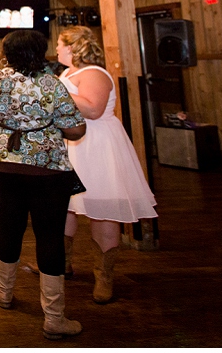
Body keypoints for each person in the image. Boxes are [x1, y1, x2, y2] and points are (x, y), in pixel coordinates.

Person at [0, 30, 86, 340]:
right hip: (46, 170)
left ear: (7, 52)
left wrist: (8, 118)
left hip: (0, 164)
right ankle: (54, 318)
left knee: (8, 226)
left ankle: (4, 293)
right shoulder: (51, 84)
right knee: (49, 236)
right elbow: (75, 129)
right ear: (40, 52)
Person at [57, 26, 157, 303]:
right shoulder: (67, 73)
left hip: (97, 144)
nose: (56, 49)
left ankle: (104, 276)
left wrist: (54, 90)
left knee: (101, 210)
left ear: (74, 47)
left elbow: (93, 108)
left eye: (59, 44)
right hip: (71, 143)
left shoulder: (94, 73)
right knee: (64, 206)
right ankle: (62, 264)